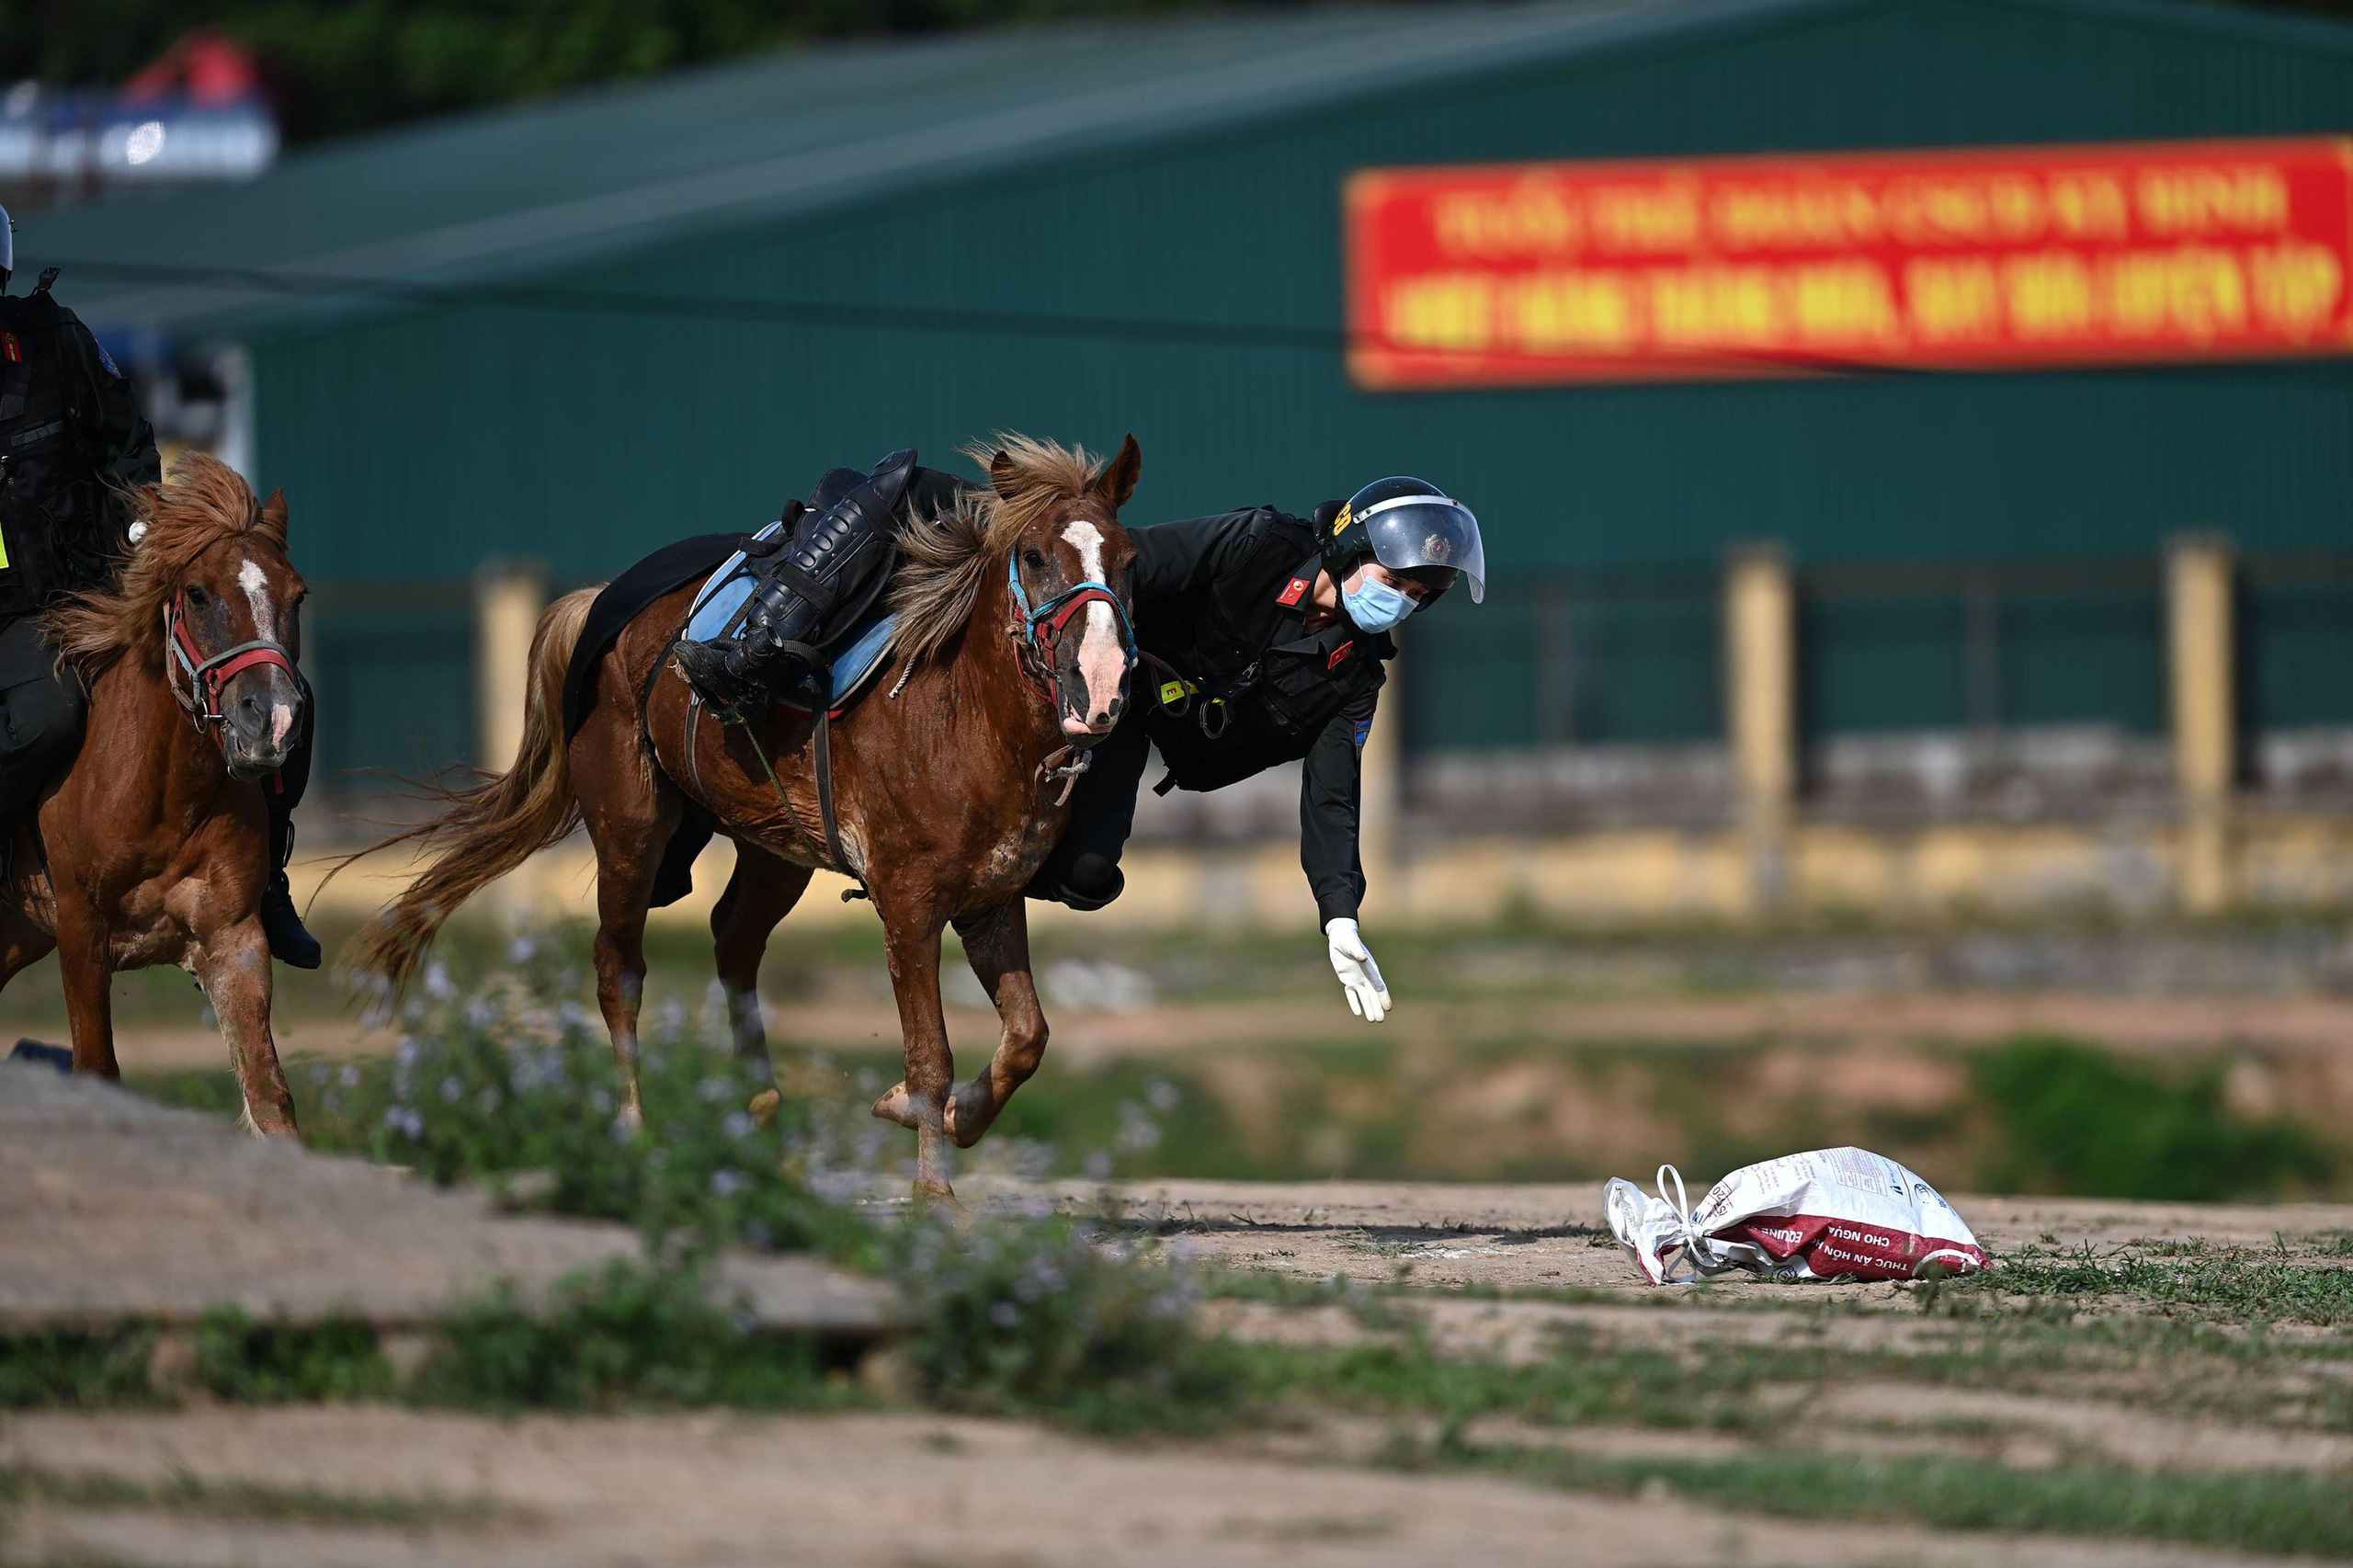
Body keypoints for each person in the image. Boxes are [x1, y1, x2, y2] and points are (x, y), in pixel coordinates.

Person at [1028, 476, 1485, 1024]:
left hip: (1158, 736)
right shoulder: (1254, 544)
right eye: (1393, 582)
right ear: (1347, 550)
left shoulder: (1355, 680)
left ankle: (983, 895)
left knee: (1088, 876)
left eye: (1417, 597)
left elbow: (1332, 801)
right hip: (1107, 681)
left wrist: (1340, 918)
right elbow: (1116, 566)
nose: (1399, 604)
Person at [0, 205, 320, 966]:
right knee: (47, 713)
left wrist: (144, 527)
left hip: (94, 587)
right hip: (7, 621)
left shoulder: (55, 340)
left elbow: (128, 442)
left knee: (278, 688)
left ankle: (265, 878)